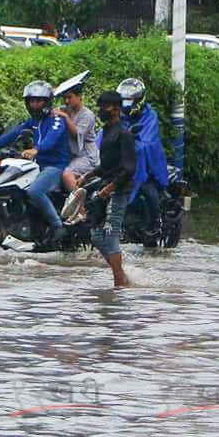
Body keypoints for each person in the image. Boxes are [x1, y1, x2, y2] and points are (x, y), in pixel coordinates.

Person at [0, 79, 70, 249]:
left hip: (55, 167)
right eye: (32, 101)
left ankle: (58, 226)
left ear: (46, 102)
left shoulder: (56, 120)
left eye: (38, 101)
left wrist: (36, 150)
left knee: (34, 191)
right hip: (37, 167)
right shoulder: (32, 122)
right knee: (16, 188)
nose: (35, 105)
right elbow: (12, 134)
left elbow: (51, 140)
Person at [88, 88, 136, 288]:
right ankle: (121, 275)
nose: (101, 110)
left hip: (118, 191)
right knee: (96, 236)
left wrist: (111, 187)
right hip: (104, 189)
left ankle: (119, 283)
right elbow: (107, 164)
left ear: (116, 109)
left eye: (104, 107)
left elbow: (129, 168)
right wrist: (87, 176)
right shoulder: (107, 131)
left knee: (110, 233)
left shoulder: (124, 134)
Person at [121, 77, 169, 233]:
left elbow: (147, 142)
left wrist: (130, 143)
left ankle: (156, 223)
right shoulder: (119, 115)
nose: (126, 104)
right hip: (120, 164)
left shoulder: (150, 116)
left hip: (148, 166)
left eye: (130, 100)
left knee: (149, 191)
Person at [58, 72, 99, 201]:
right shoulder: (67, 109)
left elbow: (77, 133)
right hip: (71, 155)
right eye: (64, 98)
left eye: (69, 97)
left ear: (79, 96)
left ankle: (79, 209)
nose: (66, 101)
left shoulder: (87, 115)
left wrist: (65, 117)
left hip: (86, 157)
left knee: (66, 174)